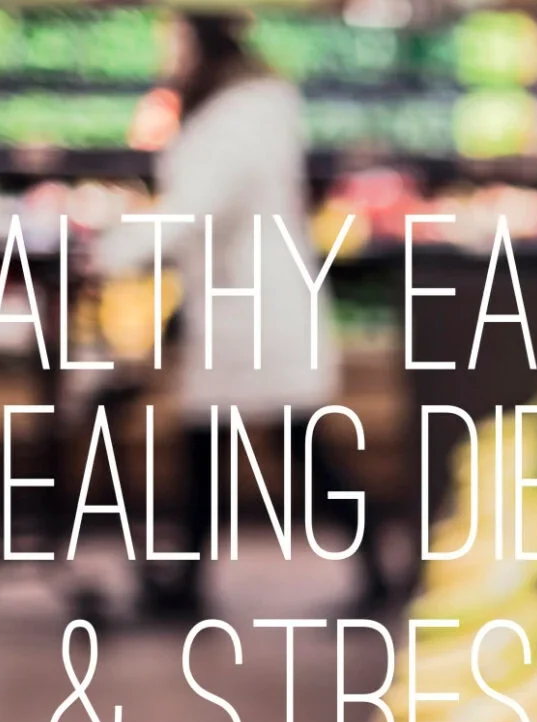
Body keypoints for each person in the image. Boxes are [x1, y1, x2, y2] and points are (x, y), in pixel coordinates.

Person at [97, 10, 391, 619]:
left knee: (291, 447)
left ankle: (374, 574)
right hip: (240, 302)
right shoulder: (247, 110)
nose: (167, 55)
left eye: (174, 41)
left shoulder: (238, 117)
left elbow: (199, 207)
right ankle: (191, 583)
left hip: (254, 306)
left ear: (200, 43)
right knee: (215, 446)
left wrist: (115, 249)